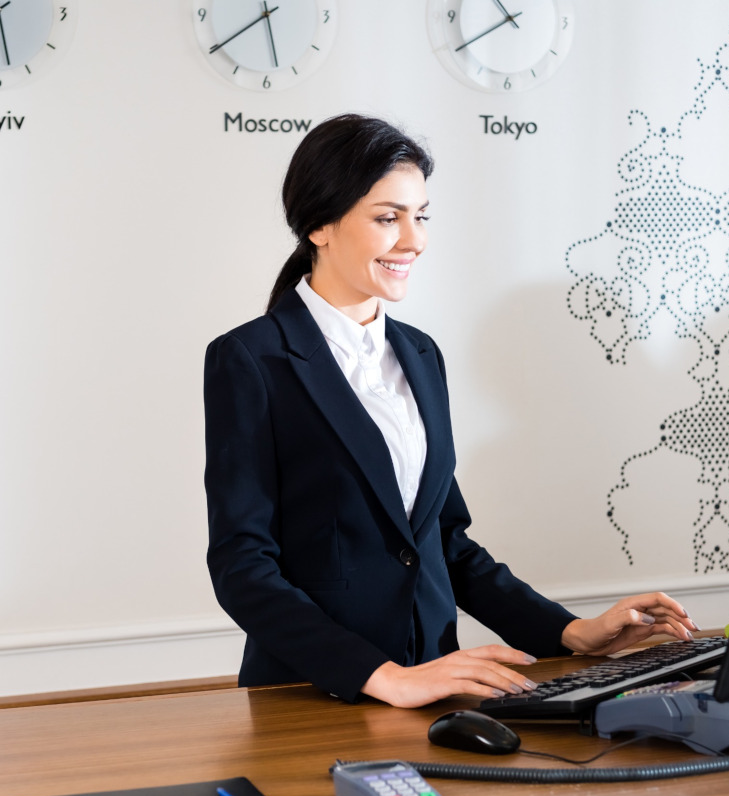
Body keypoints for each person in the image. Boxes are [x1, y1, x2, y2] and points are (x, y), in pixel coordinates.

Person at [202, 114, 698, 709]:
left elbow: (443, 541)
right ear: (319, 225)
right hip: (316, 693)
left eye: (421, 216)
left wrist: (567, 632)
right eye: (388, 218)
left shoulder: (419, 353)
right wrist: (383, 675)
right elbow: (243, 567)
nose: (414, 240)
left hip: (437, 685)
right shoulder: (250, 359)